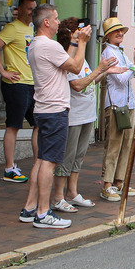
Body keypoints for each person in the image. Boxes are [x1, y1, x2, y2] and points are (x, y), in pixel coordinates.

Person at [18, 5, 92, 229]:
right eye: (56, 18)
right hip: (54, 111)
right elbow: (76, 66)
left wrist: (71, 44)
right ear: (46, 22)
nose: (59, 22)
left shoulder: (36, 45)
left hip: (43, 109)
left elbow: (64, 65)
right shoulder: (48, 45)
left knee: (41, 161)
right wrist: (83, 43)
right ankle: (43, 213)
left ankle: (30, 208)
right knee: (49, 163)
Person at [51, 18, 119, 214]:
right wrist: (98, 70)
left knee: (78, 157)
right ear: (71, 36)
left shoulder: (81, 56)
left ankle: (72, 193)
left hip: (86, 115)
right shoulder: (67, 56)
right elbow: (78, 85)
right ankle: (58, 196)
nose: (84, 34)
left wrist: (104, 70)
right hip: (73, 117)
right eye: (78, 32)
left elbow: (90, 80)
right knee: (67, 157)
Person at [0, 0, 38, 182]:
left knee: (38, 124)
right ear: (19, 9)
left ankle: (38, 165)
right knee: (13, 126)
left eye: (34, 8)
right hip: (16, 85)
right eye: (28, 8)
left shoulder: (31, 29)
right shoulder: (12, 28)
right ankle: (9, 169)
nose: (31, 12)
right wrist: (3, 71)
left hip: (32, 84)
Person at [99, 18, 135, 202]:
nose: (120, 34)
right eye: (116, 31)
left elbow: (133, 73)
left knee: (126, 143)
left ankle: (119, 181)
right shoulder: (109, 53)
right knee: (114, 144)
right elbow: (121, 79)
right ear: (108, 35)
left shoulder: (120, 52)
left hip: (127, 104)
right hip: (116, 105)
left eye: (121, 31)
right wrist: (133, 64)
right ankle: (106, 184)